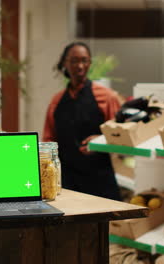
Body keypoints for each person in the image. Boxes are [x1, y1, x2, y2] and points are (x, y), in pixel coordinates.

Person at [43, 42, 121, 201]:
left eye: (84, 60)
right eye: (74, 60)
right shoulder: (56, 101)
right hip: (66, 180)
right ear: (65, 63)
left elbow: (120, 135)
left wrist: (101, 140)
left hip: (99, 180)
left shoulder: (107, 97)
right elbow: (48, 140)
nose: (79, 65)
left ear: (89, 63)